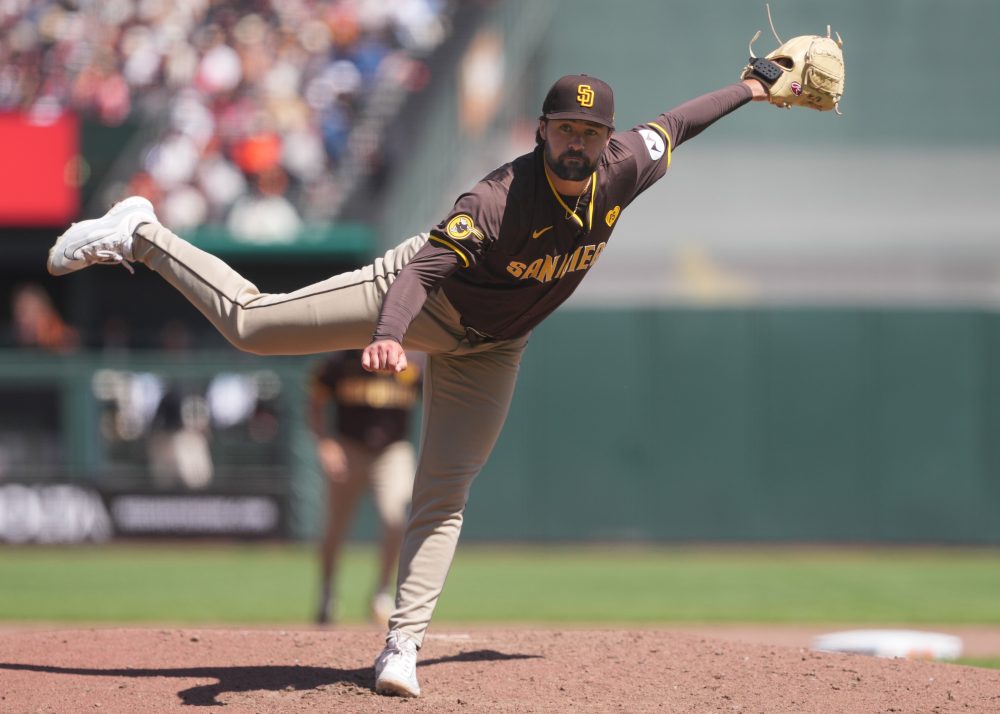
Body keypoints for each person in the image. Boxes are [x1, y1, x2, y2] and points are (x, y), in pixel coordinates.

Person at [47, 72, 771, 697]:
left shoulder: (624, 165)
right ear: (542, 131)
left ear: (607, 138)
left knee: (445, 491)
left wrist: (754, 86)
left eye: (591, 131)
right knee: (253, 326)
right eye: (565, 129)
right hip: (421, 300)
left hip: (493, 347)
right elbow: (424, 271)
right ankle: (141, 233)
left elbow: (680, 122)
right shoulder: (498, 199)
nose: (578, 143)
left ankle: (401, 645)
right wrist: (389, 333)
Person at [309, 349, 422, 627]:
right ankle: (327, 591)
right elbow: (314, 403)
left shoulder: (411, 360)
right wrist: (325, 443)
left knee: (395, 518)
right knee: (335, 527)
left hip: (392, 450)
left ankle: (381, 594)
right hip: (348, 448)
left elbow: (437, 401)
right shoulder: (341, 359)